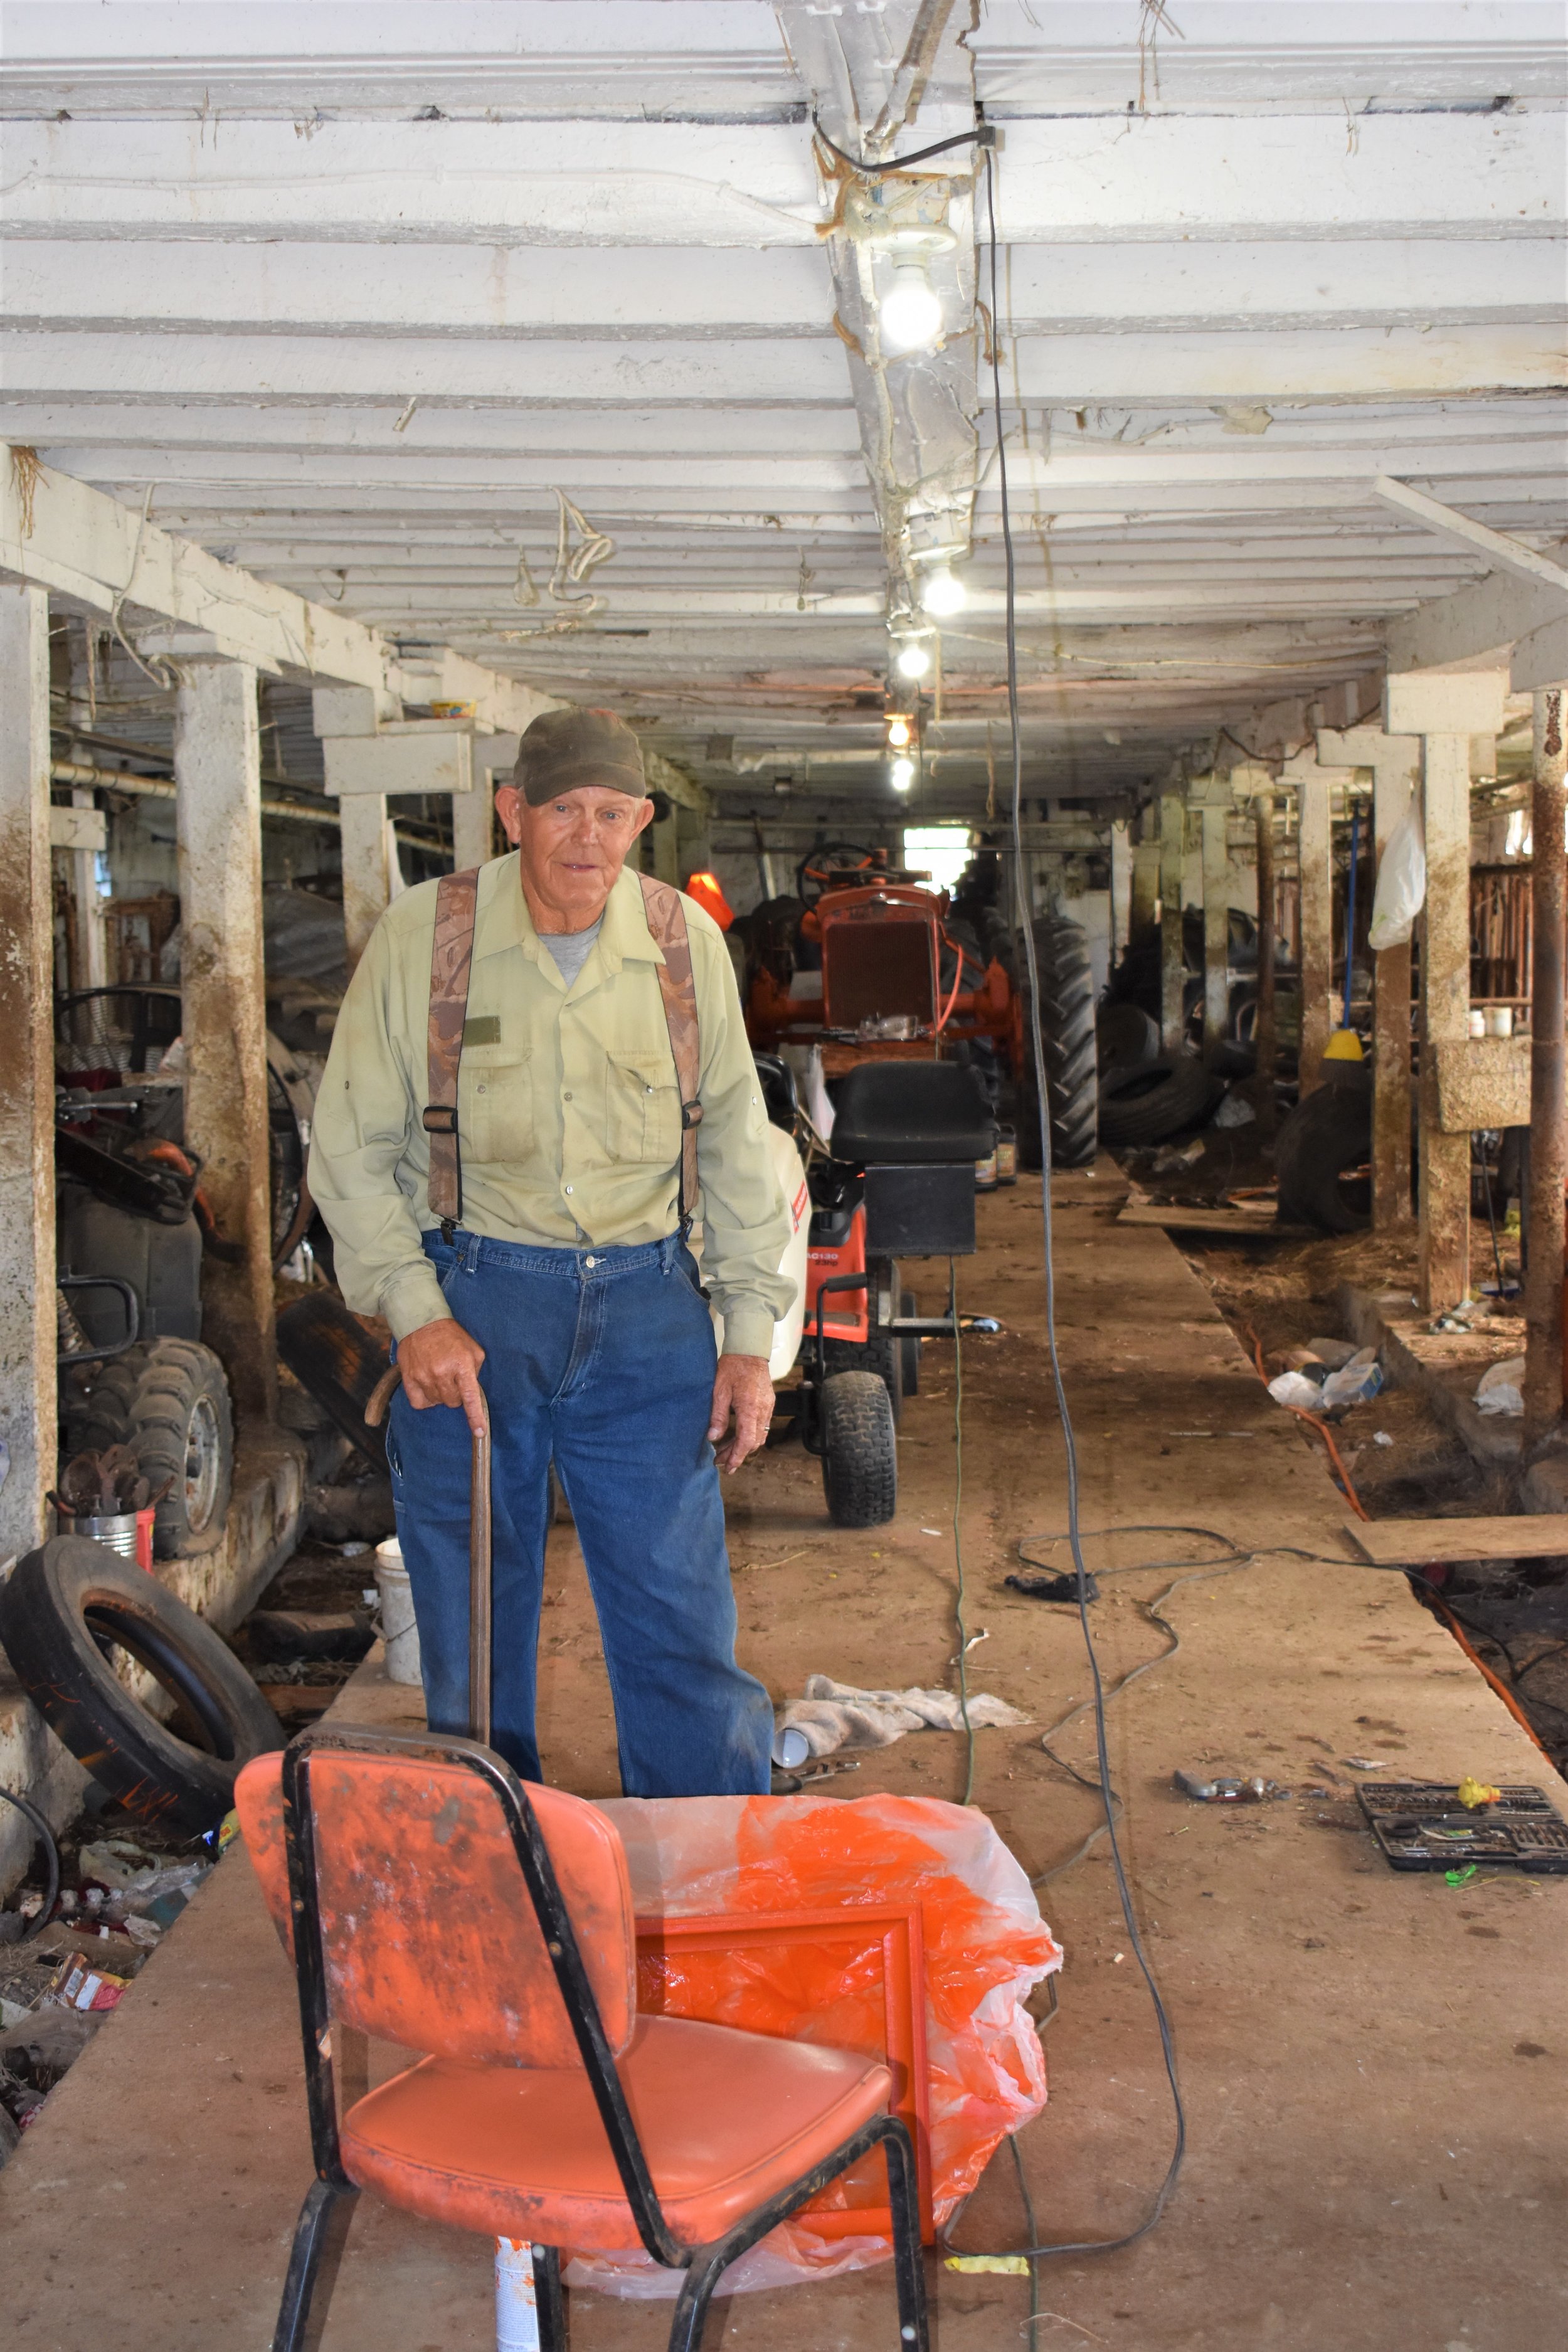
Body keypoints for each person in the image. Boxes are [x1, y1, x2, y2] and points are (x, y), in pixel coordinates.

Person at [308, 707, 793, 1796]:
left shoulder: (682, 943)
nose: (587, 836)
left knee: (677, 1608)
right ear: (512, 811)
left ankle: (709, 1854)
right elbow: (351, 1144)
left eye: (611, 813)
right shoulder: (428, 937)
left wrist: (750, 1337)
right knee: (475, 1614)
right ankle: (501, 1862)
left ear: (642, 821)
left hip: (649, 1306)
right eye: (562, 809)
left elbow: (736, 1149)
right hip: (475, 1307)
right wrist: (412, 1307)